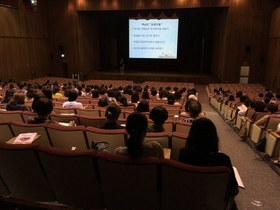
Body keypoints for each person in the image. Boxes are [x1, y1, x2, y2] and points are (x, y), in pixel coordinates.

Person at [178, 118, 239, 200]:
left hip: (188, 200)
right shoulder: (223, 160)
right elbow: (234, 191)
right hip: (214, 203)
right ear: (213, 137)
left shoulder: (183, 154)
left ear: (192, 135)